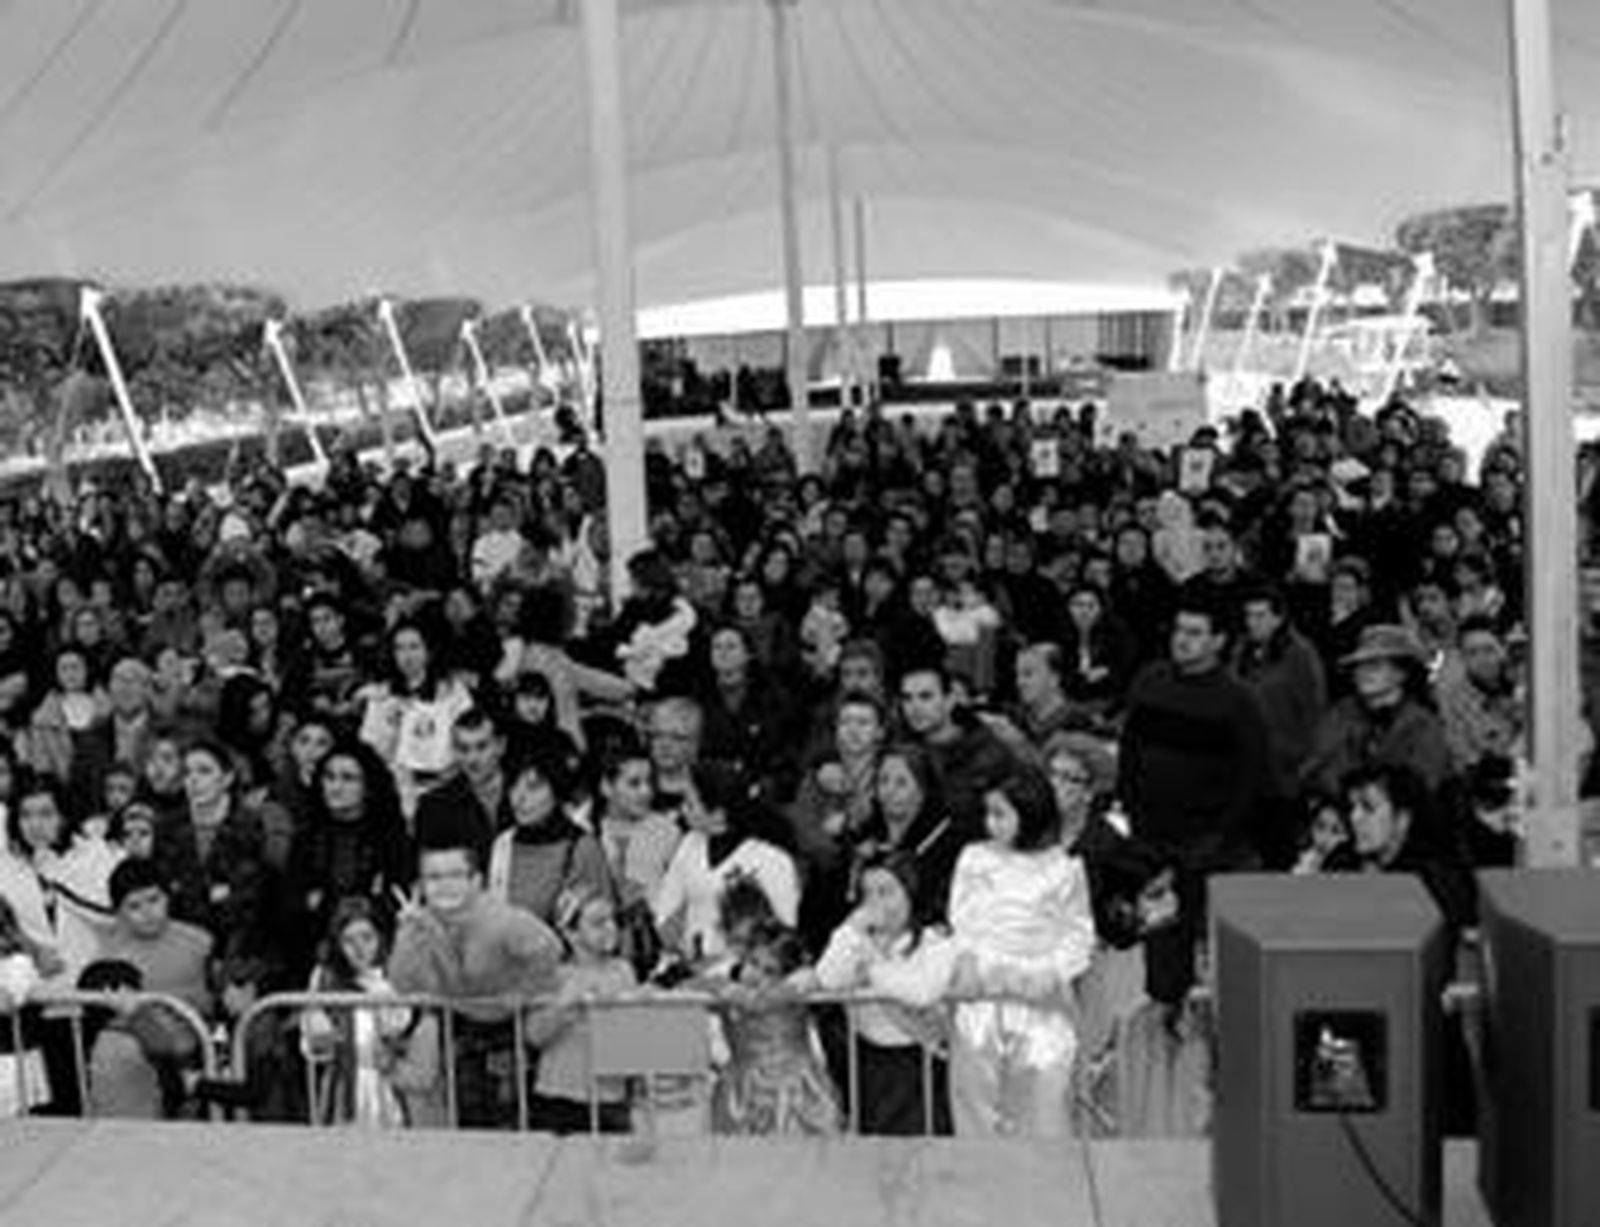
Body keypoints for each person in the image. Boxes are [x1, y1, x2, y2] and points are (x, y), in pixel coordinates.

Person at [1118, 592, 1271, 1006]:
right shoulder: (1150, 681)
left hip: (1209, 852)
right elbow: (1130, 754)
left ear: (1219, 641)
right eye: (1178, 631)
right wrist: (1132, 817)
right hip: (1152, 847)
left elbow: (1253, 780)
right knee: (1161, 968)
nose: (1182, 640)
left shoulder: (1239, 701)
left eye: (1195, 633)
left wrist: (1218, 839)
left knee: (1210, 971)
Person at [946, 766, 1095, 1138]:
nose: (990, 823)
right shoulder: (974, 858)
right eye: (988, 813)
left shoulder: (1064, 868)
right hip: (981, 1003)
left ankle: (1045, 1190)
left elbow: (1078, 936)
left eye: (1000, 814)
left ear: (1029, 813)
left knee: (1045, 1111)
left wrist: (1048, 974)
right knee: (977, 1113)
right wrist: (977, 966)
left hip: (1041, 1007)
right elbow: (962, 921)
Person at [387, 828, 564, 1129]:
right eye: (434, 878)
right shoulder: (421, 923)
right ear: (421, 886)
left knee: (510, 1125)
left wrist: (523, 993)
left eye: (455, 875)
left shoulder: (504, 920)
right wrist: (407, 934)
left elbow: (550, 949)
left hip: (510, 1030)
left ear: (476, 881)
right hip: (458, 1029)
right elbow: (402, 984)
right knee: (467, 1122)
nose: (445, 886)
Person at [806, 852, 955, 1135]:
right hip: (868, 1066)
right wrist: (850, 930)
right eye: (867, 894)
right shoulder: (857, 942)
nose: (876, 903)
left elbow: (921, 992)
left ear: (911, 893)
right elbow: (826, 979)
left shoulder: (936, 941)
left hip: (919, 1066)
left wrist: (872, 971)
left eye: (886, 892)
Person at [652, 762, 799, 966]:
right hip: (687, 966)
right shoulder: (689, 843)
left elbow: (784, 931)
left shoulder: (774, 861)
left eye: (690, 804)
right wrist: (676, 946)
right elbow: (666, 908)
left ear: (719, 814)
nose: (681, 810)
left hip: (745, 975)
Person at [709, 916, 841, 1136]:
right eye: (753, 962)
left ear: (787, 974)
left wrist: (737, 995)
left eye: (770, 971)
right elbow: (694, 984)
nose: (757, 975)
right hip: (741, 1090)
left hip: (793, 1089)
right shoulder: (727, 988)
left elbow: (766, 999)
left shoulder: (795, 989)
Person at [523, 885, 637, 1134]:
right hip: (560, 1095)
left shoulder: (624, 970)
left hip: (611, 1096)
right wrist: (564, 1004)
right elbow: (533, 1035)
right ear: (571, 934)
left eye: (613, 920)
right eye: (598, 923)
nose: (611, 929)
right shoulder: (553, 974)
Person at [301, 897, 411, 1128]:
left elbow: (400, 1028)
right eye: (349, 941)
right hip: (341, 1089)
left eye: (367, 938)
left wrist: (381, 991)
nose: (360, 949)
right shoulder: (324, 978)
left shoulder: (396, 973)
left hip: (388, 1086)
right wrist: (319, 1036)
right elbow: (311, 1042)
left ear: (381, 937)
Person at [357, 619, 474, 819]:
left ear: (429, 650)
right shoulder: (381, 694)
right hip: (397, 789)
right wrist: (392, 728)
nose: (407, 656)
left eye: (414, 647)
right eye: (399, 648)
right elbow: (370, 748)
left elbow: (470, 734)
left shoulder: (453, 690)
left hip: (446, 785)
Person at [485, 754, 610, 928]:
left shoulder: (580, 847)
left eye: (533, 787)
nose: (519, 798)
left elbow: (601, 925)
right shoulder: (503, 843)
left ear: (556, 790)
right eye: (514, 786)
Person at [413, 707, 511, 869]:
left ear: (501, 746)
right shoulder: (434, 807)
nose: (472, 759)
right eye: (463, 749)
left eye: (482, 747)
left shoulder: (529, 794)